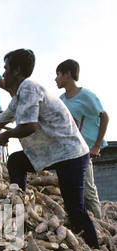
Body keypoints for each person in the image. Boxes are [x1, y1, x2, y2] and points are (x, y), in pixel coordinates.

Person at [0, 48, 99, 249]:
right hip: (52, 152)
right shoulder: (18, 98)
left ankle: (94, 248)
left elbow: (31, 126)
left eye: (6, 69)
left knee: (75, 207)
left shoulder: (30, 87)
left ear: (17, 70)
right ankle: (18, 205)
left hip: (71, 154)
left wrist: (8, 134)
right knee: (15, 161)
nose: (3, 74)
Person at [55, 59, 109, 220]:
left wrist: (97, 146)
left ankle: (101, 228)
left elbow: (104, 117)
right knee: (71, 190)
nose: (55, 78)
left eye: (57, 74)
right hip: (67, 152)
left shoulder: (87, 96)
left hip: (84, 150)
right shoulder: (61, 100)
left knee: (88, 191)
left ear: (67, 74)